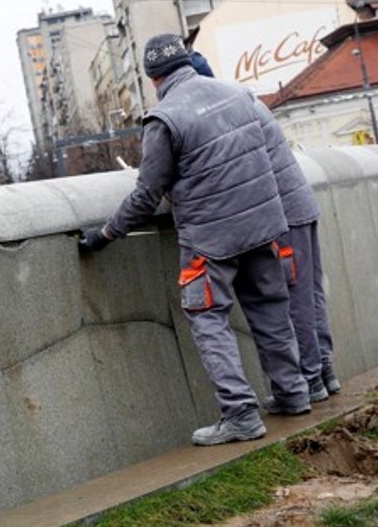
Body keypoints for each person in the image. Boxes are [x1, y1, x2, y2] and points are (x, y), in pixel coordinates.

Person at [78, 33, 310, 446]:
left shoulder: (164, 119)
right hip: (263, 224)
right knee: (270, 308)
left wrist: (106, 234)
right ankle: (293, 393)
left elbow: (146, 195)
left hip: (210, 239)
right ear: (186, 62)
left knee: (207, 316)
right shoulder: (238, 94)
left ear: (153, 78)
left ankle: (240, 414)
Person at [189, 50, 340, 402]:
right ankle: (325, 372)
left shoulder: (221, 113)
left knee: (296, 300)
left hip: (282, 215)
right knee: (311, 294)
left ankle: (310, 380)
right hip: (299, 206)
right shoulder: (243, 100)